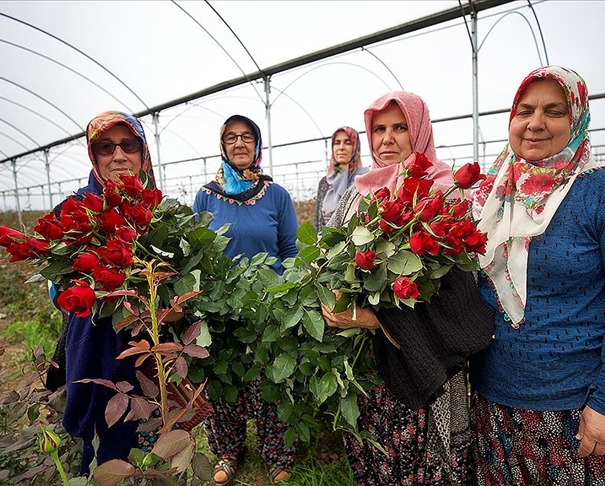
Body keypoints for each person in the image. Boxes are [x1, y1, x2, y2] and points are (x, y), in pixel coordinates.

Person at [468, 65, 605, 484]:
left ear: (577, 118)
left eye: (553, 111)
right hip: (498, 402)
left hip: (580, 410)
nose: (535, 123)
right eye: (524, 110)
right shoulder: (490, 197)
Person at [320, 91, 494, 485]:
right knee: (378, 452)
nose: (387, 138)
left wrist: (377, 319)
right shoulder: (357, 193)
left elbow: (454, 292)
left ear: (419, 130)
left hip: (427, 357)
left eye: (400, 127)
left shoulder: (444, 191)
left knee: (423, 460)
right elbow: (335, 266)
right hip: (370, 363)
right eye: (379, 129)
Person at [192, 114, 298, 485]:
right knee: (222, 378)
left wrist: (284, 293)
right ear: (222, 145)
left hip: (267, 304)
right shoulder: (206, 196)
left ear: (257, 146)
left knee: (270, 379)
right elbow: (197, 252)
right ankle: (227, 450)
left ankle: (276, 452)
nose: (239, 144)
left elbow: (289, 250)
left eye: (247, 137)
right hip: (220, 306)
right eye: (232, 138)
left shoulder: (276, 195)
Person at [52, 111, 160, 474]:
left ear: (143, 152)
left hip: (153, 349)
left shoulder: (158, 211)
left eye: (129, 145)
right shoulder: (73, 210)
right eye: (105, 147)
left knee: (154, 442)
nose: (118, 156)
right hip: (98, 352)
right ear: (92, 155)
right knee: (106, 455)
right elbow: (59, 291)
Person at [313, 126, 369, 231]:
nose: (341, 147)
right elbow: (317, 221)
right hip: (325, 244)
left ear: (356, 147)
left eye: (348, 143)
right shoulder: (325, 182)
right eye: (337, 143)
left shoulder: (365, 180)